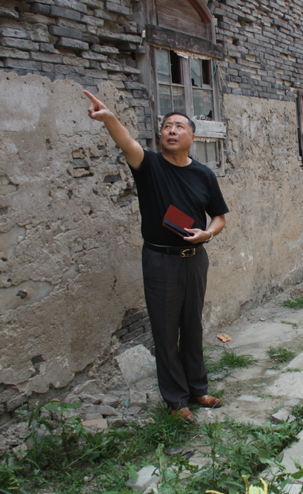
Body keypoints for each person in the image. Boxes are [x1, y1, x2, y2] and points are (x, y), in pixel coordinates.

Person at [84, 90, 229, 422]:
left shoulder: (204, 174)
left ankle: (198, 388)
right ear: (160, 135)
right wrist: (109, 118)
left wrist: (207, 234)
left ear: (192, 137)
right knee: (165, 331)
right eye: (166, 126)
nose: (172, 131)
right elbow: (127, 143)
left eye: (179, 127)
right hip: (161, 260)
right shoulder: (148, 165)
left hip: (195, 258)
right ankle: (176, 400)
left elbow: (219, 217)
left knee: (192, 326)